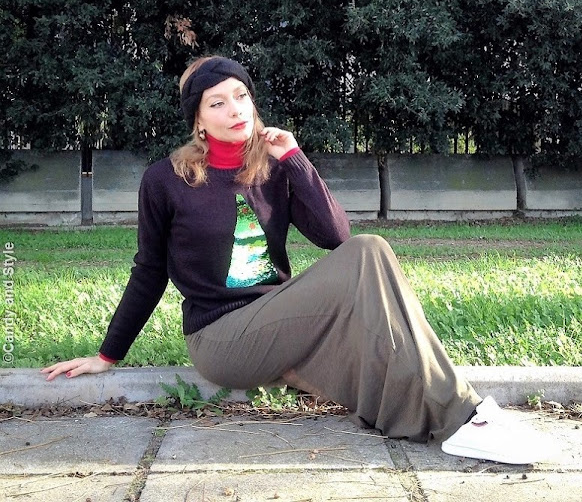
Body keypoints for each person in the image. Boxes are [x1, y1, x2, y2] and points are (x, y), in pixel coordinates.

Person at [42, 55, 549, 464]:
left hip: (281, 317)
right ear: (198, 119)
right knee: (371, 252)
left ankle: (452, 415)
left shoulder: (275, 166)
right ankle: (465, 417)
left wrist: (294, 159)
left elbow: (335, 236)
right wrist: (108, 355)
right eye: (217, 102)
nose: (235, 109)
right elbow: (149, 271)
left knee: (372, 269)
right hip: (221, 336)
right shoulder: (165, 179)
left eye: (241, 95)